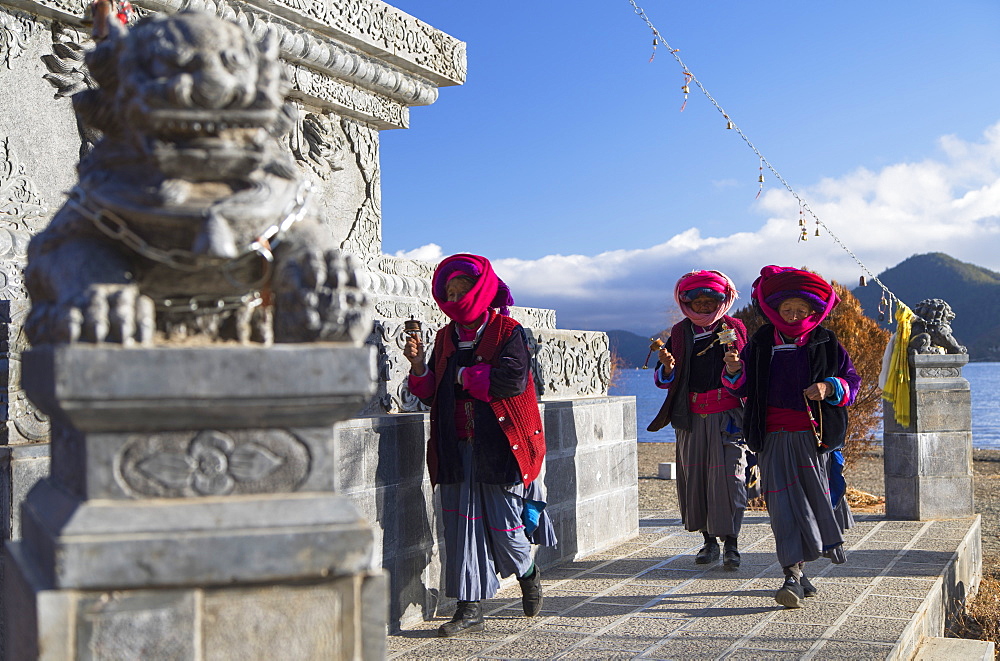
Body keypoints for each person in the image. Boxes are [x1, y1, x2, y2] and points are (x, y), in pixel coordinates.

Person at [403, 253, 557, 637]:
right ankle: (469, 608)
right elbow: (432, 394)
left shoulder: (509, 331)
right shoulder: (444, 338)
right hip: (456, 445)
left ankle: (528, 570)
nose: (455, 297)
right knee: (461, 528)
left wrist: (459, 374)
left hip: (502, 445)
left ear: (482, 289)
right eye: (449, 292)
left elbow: (512, 379)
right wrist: (420, 367)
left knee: (506, 528)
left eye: (462, 289)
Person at [722, 265, 860, 609]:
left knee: (811, 504)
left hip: (813, 439)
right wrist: (735, 369)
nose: (794, 315)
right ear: (775, 311)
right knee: (782, 507)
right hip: (770, 437)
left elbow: (852, 384)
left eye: (801, 310)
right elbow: (740, 388)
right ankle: (791, 574)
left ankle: (800, 573)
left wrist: (829, 386)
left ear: (813, 312)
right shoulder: (761, 341)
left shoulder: (827, 341)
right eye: (787, 310)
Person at [647, 270, 749, 569]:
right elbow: (668, 379)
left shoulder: (734, 327)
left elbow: (747, 376)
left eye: (710, 300)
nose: (704, 306)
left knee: (731, 479)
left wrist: (734, 369)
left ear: (723, 299)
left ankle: (732, 543)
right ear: (686, 302)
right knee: (698, 481)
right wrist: (668, 368)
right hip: (691, 416)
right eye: (698, 301)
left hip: (729, 416)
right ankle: (708, 542)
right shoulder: (680, 332)